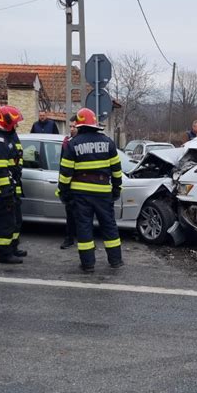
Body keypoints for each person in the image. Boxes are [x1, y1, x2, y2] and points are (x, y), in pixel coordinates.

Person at [58, 107, 123, 273]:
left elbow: (65, 173)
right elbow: (116, 170)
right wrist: (116, 189)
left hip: (80, 194)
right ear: (94, 124)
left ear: (80, 126)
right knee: (109, 226)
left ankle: (88, 264)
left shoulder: (72, 144)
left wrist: (64, 193)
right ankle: (115, 260)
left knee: (84, 227)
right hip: (103, 192)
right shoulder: (108, 142)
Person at [0, 105, 25, 264]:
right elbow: (1, 171)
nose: (16, 125)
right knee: (5, 223)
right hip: (1, 191)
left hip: (8, 187)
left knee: (14, 221)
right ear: (7, 122)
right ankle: (3, 255)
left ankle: (12, 248)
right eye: (15, 122)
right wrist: (7, 194)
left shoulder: (5, 138)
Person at [59, 114, 78, 250]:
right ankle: (69, 238)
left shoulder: (82, 142)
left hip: (81, 185)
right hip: (70, 185)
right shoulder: (66, 142)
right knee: (70, 214)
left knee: (84, 216)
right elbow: (62, 165)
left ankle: (87, 240)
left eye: (74, 126)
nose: (71, 129)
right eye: (70, 126)